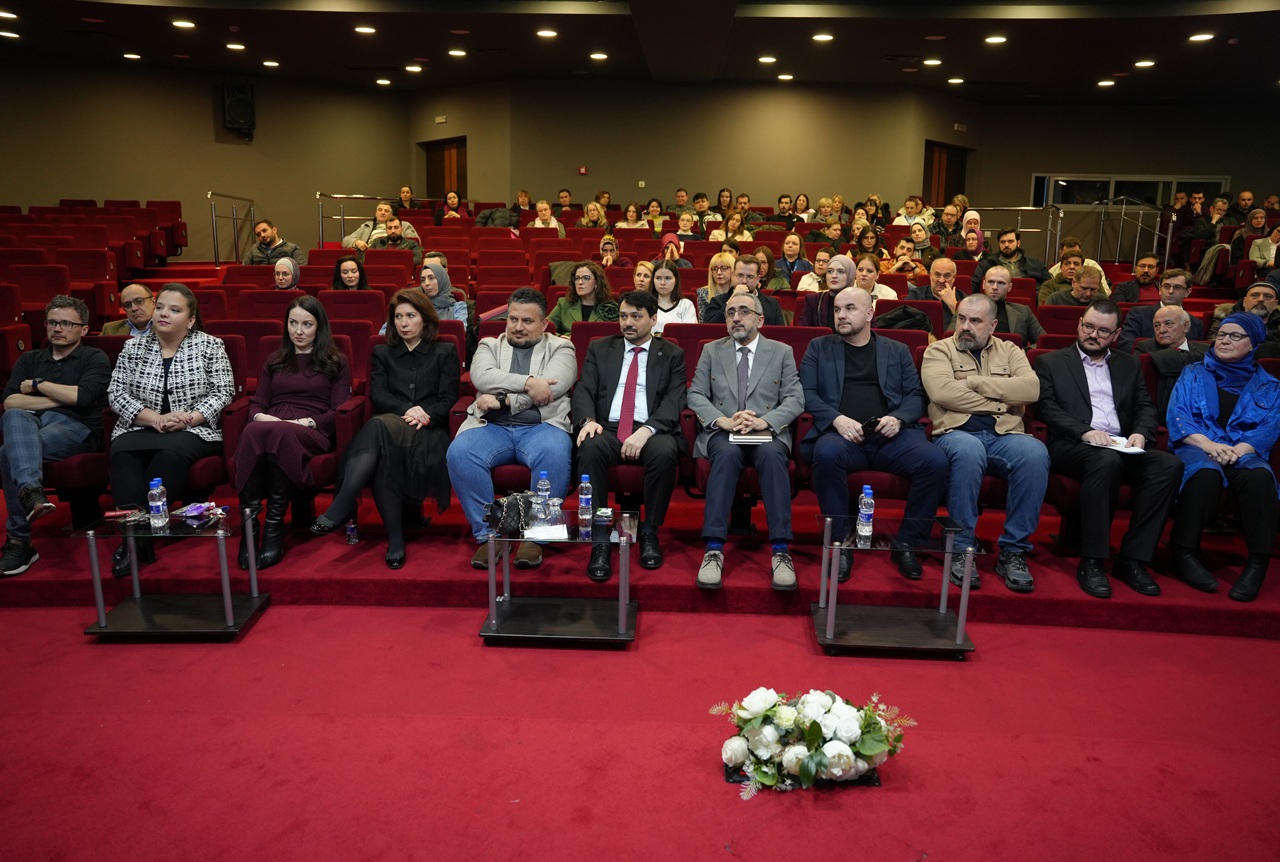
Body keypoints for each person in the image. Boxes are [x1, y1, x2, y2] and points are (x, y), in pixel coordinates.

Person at [1034, 300, 1183, 598]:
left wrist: (1140, 433)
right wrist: (1084, 431)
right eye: (1088, 327)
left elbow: (1144, 405)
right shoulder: (1051, 361)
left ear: (1116, 334)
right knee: (1105, 462)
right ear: (1079, 324)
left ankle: (1133, 558)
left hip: (1121, 444)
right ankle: (1093, 560)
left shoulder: (1128, 364)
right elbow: (1046, 408)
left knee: (1169, 465)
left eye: (1103, 331)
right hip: (1073, 445)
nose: (1093, 334)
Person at [801, 286, 949, 582]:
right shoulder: (819, 347)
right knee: (826, 454)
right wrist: (837, 419)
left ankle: (907, 543)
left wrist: (898, 418)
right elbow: (806, 393)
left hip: (889, 437)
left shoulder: (896, 350)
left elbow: (915, 396)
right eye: (837, 309)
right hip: (842, 437)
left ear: (869, 314)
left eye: (850, 308)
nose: (841, 315)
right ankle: (841, 543)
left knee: (935, 462)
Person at [310, 290, 456, 569]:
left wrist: (423, 415)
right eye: (398, 317)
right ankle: (395, 541)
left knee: (377, 427)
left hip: (428, 431)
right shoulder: (382, 352)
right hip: (391, 426)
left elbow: (448, 399)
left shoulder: (444, 351)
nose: (404, 323)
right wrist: (408, 409)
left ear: (425, 319)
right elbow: (378, 395)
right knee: (382, 447)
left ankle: (342, 505)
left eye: (410, 316)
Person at [921, 294, 1048, 592]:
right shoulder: (938, 350)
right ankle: (961, 547)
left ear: (992, 325)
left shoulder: (1011, 350)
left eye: (975, 321)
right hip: (955, 434)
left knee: (1035, 453)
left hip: (1005, 436)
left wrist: (974, 383)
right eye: (961, 318)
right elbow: (943, 393)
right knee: (969, 450)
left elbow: (1030, 390)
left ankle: (1014, 551)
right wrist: (1002, 402)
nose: (965, 326)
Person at [106, 285, 235, 577]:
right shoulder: (133, 347)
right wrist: (155, 419)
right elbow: (116, 393)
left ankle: (137, 539)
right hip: (141, 426)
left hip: (193, 430)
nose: (164, 313)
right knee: (122, 453)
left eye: (174, 310)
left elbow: (223, 393)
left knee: (169, 454)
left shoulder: (210, 345)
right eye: (161, 307)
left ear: (190, 319)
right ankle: (135, 537)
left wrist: (187, 419)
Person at [446, 288, 576, 569]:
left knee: (555, 451)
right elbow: (482, 377)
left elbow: (553, 388)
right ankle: (489, 535)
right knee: (460, 452)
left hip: (542, 426)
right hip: (491, 426)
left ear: (544, 323)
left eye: (527, 321)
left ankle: (537, 535)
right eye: (513, 319)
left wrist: (503, 399)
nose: (518, 327)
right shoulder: (489, 346)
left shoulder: (562, 348)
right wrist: (530, 383)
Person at [687, 291, 804, 591]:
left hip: (766, 431)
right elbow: (695, 394)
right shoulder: (711, 350)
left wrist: (766, 421)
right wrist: (722, 420)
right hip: (725, 430)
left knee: (773, 456)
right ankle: (714, 548)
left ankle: (781, 550)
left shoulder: (781, 351)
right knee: (726, 455)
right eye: (730, 313)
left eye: (744, 312)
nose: (736, 318)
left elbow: (795, 398)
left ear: (760, 320)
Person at [573, 290, 686, 580]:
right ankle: (600, 537)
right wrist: (587, 421)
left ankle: (650, 531)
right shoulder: (600, 348)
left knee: (665, 452)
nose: (628, 322)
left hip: (652, 428)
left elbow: (674, 399)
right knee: (590, 447)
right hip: (607, 427)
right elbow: (584, 388)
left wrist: (647, 430)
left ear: (653, 319)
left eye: (636, 316)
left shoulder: (671, 353)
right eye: (624, 316)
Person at [1167, 311, 1280, 602]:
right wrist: (1207, 444)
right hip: (1197, 445)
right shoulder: (1193, 373)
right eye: (1221, 334)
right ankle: (1184, 551)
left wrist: (1241, 449)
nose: (1225, 340)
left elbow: (1270, 426)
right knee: (1204, 474)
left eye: (1235, 336)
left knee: (1259, 478)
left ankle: (1257, 563)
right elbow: (1179, 415)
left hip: (1243, 450)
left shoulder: (1270, 385)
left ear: (1253, 343)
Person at [236, 296, 351, 570]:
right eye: (293, 323)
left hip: (311, 431)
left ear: (319, 327)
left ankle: (273, 528)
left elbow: (337, 411)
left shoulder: (336, 361)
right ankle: (249, 531)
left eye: (307, 324)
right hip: (273, 426)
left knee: (277, 432)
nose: (298, 331)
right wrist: (260, 416)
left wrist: (307, 422)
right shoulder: (274, 360)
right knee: (254, 429)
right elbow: (257, 403)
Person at [0, 296, 110, 576]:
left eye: (66, 323)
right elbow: (10, 402)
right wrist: (64, 397)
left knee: (7, 452)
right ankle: (32, 493)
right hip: (30, 423)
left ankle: (19, 541)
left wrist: (39, 385)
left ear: (84, 329)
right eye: (52, 322)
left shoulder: (94, 357)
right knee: (13, 416)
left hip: (77, 427)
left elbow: (83, 397)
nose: (57, 328)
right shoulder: (29, 359)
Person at [1117, 269, 1203, 352]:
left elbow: (1198, 352)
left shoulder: (1196, 324)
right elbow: (1126, 346)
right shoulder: (1138, 314)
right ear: (1160, 289)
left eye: (1177, 287)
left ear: (1187, 292)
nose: (1171, 291)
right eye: (1166, 286)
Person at [701, 256, 786, 326]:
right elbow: (710, 329)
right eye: (740, 275)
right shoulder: (717, 302)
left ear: (758, 279)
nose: (744, 281)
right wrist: (731, 299)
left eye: (750, 277)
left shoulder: (772, 304)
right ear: (733, 275)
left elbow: (779, 335)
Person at [980, 265, 1044, 346]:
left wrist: (1023, 351)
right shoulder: (968, 310)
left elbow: (1043, 342)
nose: (995, 287)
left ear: (1009, 287)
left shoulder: (1024, 312)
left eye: (1001, 283)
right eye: (991, 282)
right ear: (983, 284)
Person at [549, 261, 619, 331]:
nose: (580, 282)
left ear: (597, 282)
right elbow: (546, 328)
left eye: (586, 278)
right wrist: (560, 337)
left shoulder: (611, 309)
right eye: (577, 278)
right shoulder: (563, 304)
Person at [971, 228, 1050, 290]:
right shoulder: (987, 264)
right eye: (1003, 242)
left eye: (1010, 241)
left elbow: (1048, 286)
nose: (1006, 245)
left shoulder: (1035, 264)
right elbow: (974, 286)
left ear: (1018, 243)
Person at [906, 257, 967, 329]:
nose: (941, 280)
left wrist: (954, 306)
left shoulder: (964, 299)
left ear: (954, 278)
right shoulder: (916, 295)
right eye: (937, 275)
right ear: (930, 276)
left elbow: (970, 328)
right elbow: (904, 322)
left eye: (946, 276)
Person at [342, 201, 420, 252]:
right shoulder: (366, 226)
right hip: (371, 255)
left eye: (386, 211)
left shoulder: (404, 225)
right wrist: (356, 242)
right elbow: (345, 241)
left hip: (396, 254)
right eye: (380, 210)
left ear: (392, 214)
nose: (382, 213)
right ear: (376, 213)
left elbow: (415, 241)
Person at [649, 260, 696, 333]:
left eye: (668, 278)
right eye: (658, 278)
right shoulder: (645, 304)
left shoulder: (686, 305)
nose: (662, 283)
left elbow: (690, 334)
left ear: (676, 280)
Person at [243, 219, 308, 266]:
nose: (262, 235)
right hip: (261, 280)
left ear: (274, 230)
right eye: (258, 234)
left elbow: (302, 271)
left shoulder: (292, 248)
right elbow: (243, 270)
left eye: (264, 230)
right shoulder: (254, 249)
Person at [698, 252, 736, 321]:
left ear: (733, 270)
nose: (719, 273)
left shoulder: (738, 292)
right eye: (715, 269)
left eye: (723, 268)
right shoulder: (703, 293)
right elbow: (702, 322)